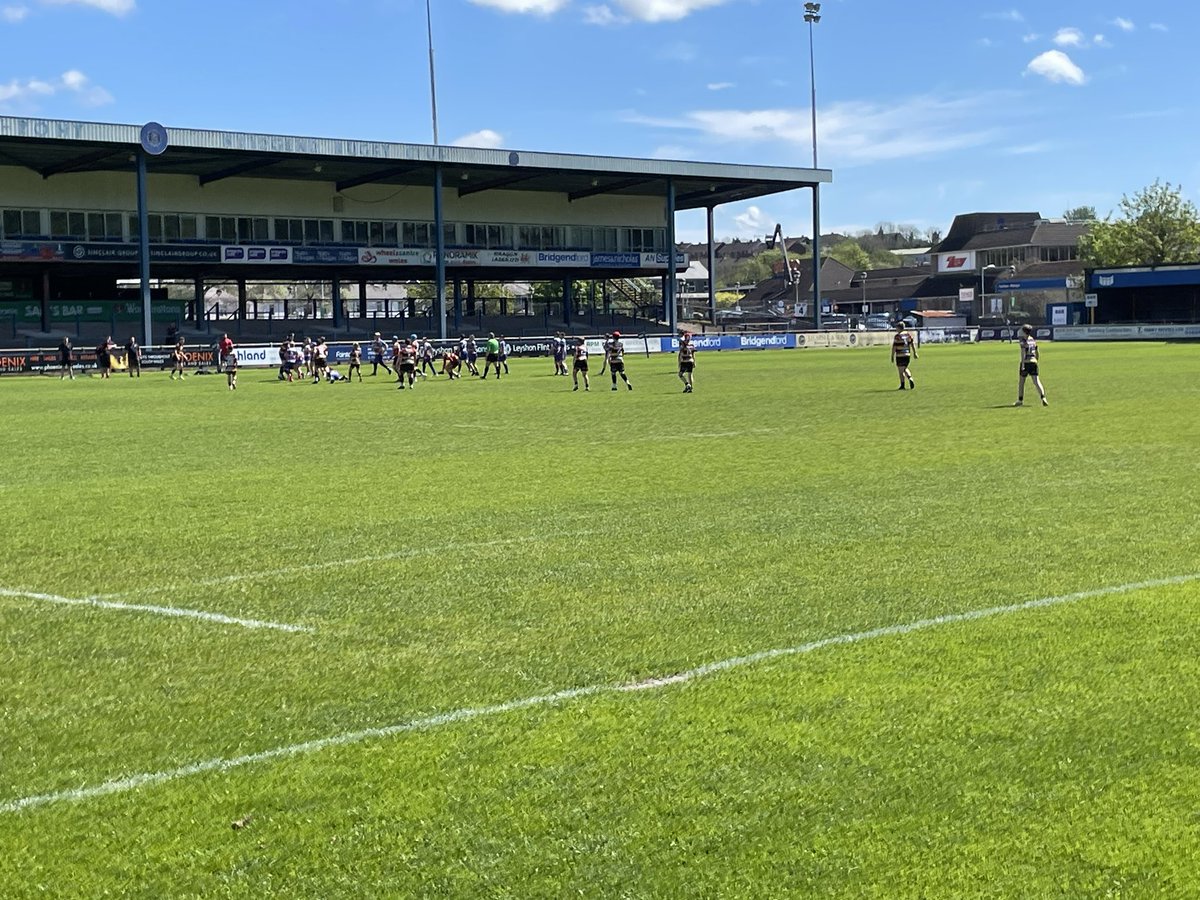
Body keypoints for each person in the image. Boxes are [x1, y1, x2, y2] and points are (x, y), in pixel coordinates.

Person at [1015, 324, 1048, 407]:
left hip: (1026, 362)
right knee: (1036, 381)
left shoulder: (1023, 341)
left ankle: (1020, 400)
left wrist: (1022, 364)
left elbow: (1023, 353)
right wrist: (1036, 360)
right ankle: (1043, 397)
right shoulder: (1032, 340)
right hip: (1033, 362)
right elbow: (1037, 351)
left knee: (1021, 382)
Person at [890, 321, 918, 390]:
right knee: (904, 368)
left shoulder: (897, 336)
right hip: (907, 355)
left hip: (900, 355)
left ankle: (902, 385)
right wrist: (915, 353)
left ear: (899, 328)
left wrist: (892, 356)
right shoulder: (908, 335)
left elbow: (894, 347)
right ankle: (910, 378)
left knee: (900, 371)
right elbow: (912, 344)